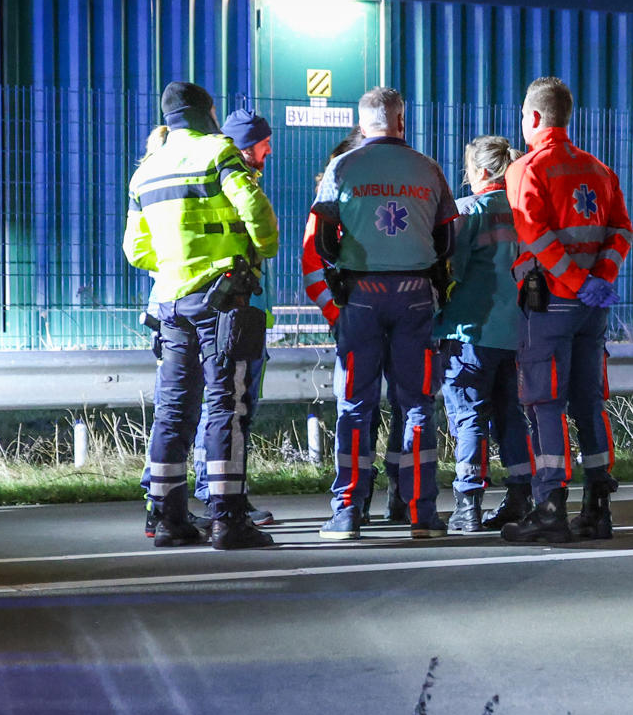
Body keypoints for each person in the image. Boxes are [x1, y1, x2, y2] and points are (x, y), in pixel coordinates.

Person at [123, 81, 278, 550]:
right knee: (223, 407)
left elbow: (135, 250)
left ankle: (169, 519)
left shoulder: (146, 172)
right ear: (206, 112)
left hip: (170, 302)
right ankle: (228, 520)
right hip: (220, 299)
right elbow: (253, 206)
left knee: (172, 411)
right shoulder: (217, 151)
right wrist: (262, 248)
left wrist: (174, 265)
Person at [304, 87, 457, 541]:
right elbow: (447, 240)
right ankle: (421, 514)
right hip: (415, 297)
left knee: (355, 405)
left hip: (361, 297)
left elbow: (322, 240)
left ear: (362, 121)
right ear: (401, 121)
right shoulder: (428, 168)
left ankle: (348, 511)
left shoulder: (343, 167)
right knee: (417, 406)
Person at [500, 77, 632, 544]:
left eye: (522, 117)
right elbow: (622, 231)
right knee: (589, 402)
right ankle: (598, 505)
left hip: (552, 302)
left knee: (543, 404)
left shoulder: (527, 170)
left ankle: (550, 506)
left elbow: (535, 235)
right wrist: (602, 280)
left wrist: (575, 284)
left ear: (534, 118)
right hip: (593, 308)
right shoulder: (598, 169)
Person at [305, 131, 413, 527]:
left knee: (387, 407)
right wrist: (340, 316)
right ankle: (363, 498)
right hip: (361, 315)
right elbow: (314, 267)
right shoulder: (333, 203)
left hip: (376, 312)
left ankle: (392, 496)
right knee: (370, 411)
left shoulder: (382, 195)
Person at [437, 136, 534, 533]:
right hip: (517, 334)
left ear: (479, 172)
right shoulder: (522, 212)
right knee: (512, 417)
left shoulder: (468, 211)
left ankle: (468, 505)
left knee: (468, 416)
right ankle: (520, 497)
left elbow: (449, 270)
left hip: (470, 333)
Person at [188, 107, 279, 528]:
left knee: (233, 406)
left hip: (241, 313)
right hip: (230, 311)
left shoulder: (227, 177)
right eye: (263, 143)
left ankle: (225, 493)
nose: (269, 151)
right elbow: (260, 235)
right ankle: (220, 496)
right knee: (227, 406)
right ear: (247, 145)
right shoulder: (229, 181)